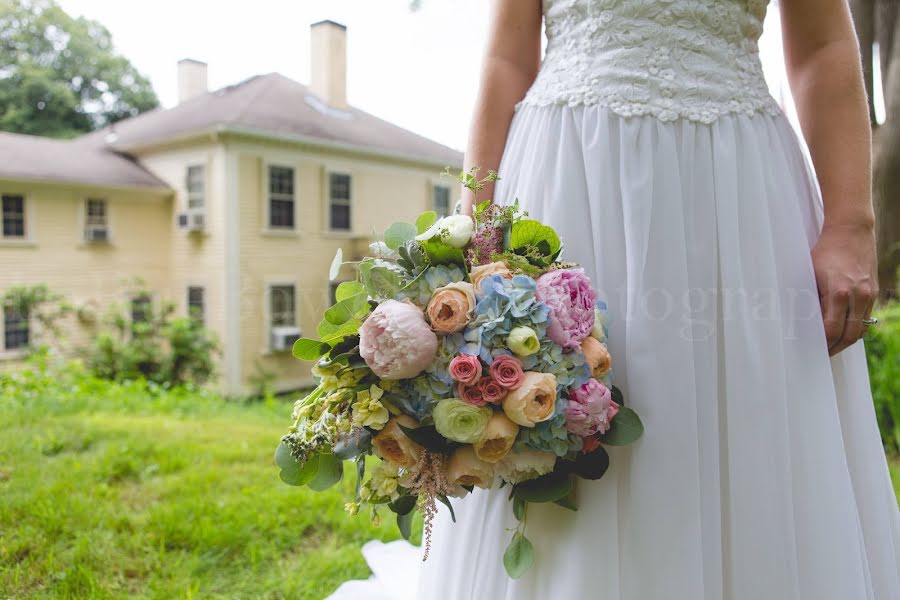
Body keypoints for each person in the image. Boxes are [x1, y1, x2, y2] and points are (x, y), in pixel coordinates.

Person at [330, 1, 900, 598]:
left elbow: (823, 49)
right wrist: (478, 221)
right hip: (569, 172)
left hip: (735, 187)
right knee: (557, 398)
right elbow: (505, 57)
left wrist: (851, 224)